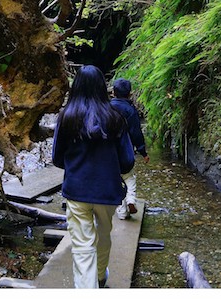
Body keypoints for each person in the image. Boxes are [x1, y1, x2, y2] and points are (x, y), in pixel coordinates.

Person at [52, 65, 135, 289]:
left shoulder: (66, 117)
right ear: (102, 88)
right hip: (107, 191)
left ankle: (90, 285)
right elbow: (127, 161)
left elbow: (57, 159)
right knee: (104, 234)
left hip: (77, 190)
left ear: (75, 87)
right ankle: (99, 277)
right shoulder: (115, 117)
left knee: (82, 245)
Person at [111, 78, 149, 219]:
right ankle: (131, 199)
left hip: (108, 156)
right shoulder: (130, 110)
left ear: (113, 93)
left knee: (116, 182)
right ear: (130, 94)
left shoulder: (106, 107)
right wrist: (143, 152)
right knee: (129, 179)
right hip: (125, 154)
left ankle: (121, 212)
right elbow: (136, 133)